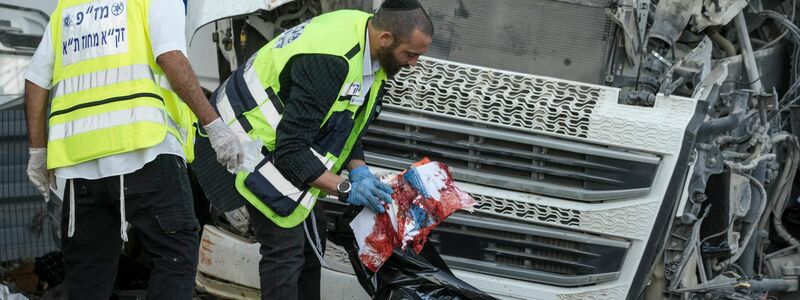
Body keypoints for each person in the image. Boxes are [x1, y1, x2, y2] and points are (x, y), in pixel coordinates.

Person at [208, 0, 433, 298]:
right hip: (239, 142)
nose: (414, 64)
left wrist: (360, 170)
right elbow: (291, 152)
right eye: (411, 54)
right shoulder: (330, 59)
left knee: (311, 241)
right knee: (285, 248)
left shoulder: (369, 45)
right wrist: (343, 187)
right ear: (386, 39)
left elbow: (346, 120)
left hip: (277, 142)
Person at [23, 0, 244, 298]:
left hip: (81, 165)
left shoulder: (68, 8)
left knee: (87, 276)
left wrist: (38, 152)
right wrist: (214, 126)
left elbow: (36, 78)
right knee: (175, 255)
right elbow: (169, 56)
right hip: (144, 149)